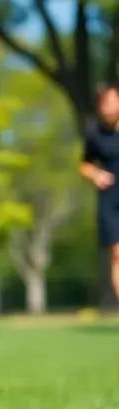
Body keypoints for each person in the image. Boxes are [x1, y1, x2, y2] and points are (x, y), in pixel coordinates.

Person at [80, 82, 119, 308]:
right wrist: (95, 174)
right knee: (117, 256)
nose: (109, 106)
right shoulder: (95, 135)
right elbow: (83, 164)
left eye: (113, 100)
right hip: (111, 200)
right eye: (104, 102)